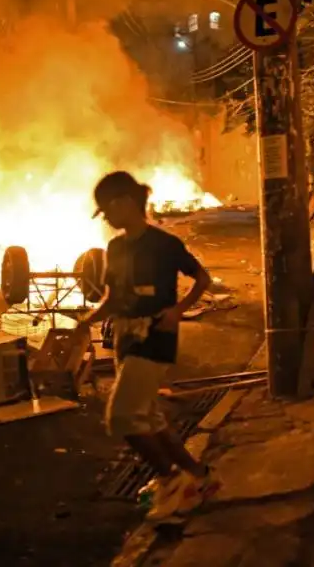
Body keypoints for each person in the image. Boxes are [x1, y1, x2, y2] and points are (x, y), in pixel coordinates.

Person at [75, 171, 219, 519]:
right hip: (125, 339)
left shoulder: (165, 245)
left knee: (122, 417)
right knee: (150, 418)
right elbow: (113, 297)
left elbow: (203, 279)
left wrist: (178, 311)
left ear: (125, 203)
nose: (106, 218)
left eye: (107, 210)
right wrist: (87, 323)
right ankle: (199, 477)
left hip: (156, 338)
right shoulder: (116, 247)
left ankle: (170, 481)